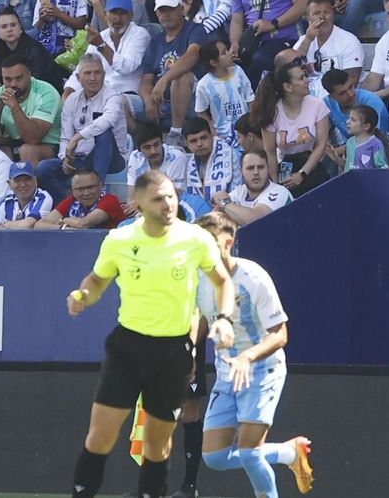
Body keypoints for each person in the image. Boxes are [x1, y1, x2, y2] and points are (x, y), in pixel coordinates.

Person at [63, 170, 236, 498]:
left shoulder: (195, 238)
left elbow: (222, 282)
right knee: (100, 436)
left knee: (157, 447)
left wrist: (224, 318)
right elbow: (97, 280)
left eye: (171, 196)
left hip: (174, 354)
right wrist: (82, 296)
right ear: (138, 204)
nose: (168, 204)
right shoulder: (119, 240)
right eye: (158, 199)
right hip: (128, 349)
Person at [193, 211, 315, 498]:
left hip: (263, 371)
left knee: (249, 453)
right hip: (226, 374)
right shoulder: (198, 278)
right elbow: (199, 320)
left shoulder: (254, 277)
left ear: (229, 242)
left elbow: (280, 334)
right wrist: (186, 355)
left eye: (213, 241)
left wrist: (247, 358)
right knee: (214, 458)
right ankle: (288, 453)